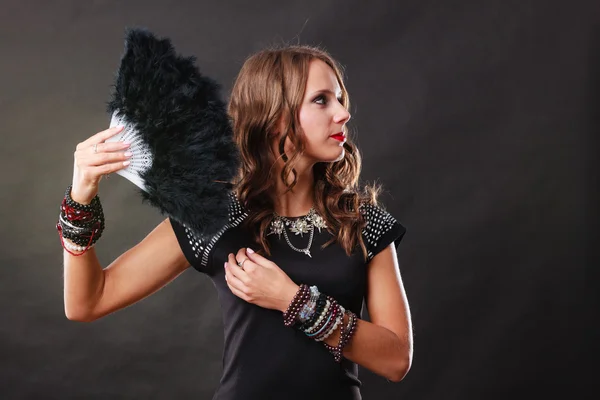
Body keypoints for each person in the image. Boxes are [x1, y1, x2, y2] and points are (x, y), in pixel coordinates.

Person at [60, 45, 413, 400]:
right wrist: (80, 199)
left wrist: (293, 300)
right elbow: (88, 301)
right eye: (321, 100)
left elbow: (396, 359)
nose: (342, 113)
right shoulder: (216, 215)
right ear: (274, 116)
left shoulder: (362, 221)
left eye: (339, 99)